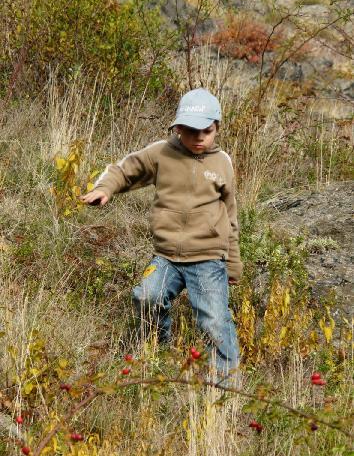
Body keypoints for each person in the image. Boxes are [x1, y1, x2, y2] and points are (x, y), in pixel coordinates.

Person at [81, 88, 243, 382]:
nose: (198, 138)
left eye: (206, 131)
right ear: (177, 128)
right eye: (190, 131)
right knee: (146, 297)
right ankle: (154, 353)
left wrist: (232, 263)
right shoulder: (161, 153)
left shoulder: (222, 164)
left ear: (217, 126)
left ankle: (226, 386)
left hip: (207, 258)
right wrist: (104, 189)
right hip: (166, 256)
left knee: (215, 322)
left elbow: (230, 216)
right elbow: (125, 169)